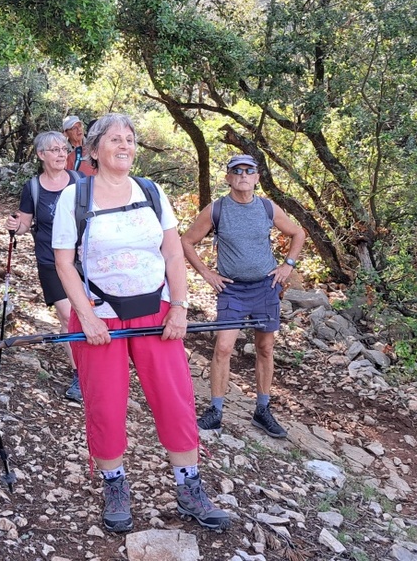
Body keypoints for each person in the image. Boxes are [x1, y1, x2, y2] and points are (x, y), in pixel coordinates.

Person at [51, 113, 230, 533]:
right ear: (94, 150)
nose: (125, 146)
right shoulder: (74, 198)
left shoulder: (151, 190)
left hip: (157, 311)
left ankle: (189, 487)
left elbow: (173, 253)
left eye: (130, 139)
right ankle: (114, 486)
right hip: (101, 317)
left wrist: (180, 306)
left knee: (175, 399)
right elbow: (64, 263)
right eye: (115, 139)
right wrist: (87, 317)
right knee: (105, 404)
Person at [180, 154, 307, 439]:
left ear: (257, 177)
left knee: (265, 348)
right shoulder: (216, 209)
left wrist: (287, 266)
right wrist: (207, 274)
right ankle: (215, 411)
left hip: (265, 287)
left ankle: (262, 410)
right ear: (228, 177)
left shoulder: (267, 207)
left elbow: (298, 233)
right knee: (224, 348)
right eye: (236, 171)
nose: (243, 176)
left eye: (249, 171)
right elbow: (186, 241)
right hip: (232, 290)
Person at [6, 131, 83, 402]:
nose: (62, 154)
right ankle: (80, 374)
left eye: (64, 149)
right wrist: (16, 225)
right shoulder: (33, 187)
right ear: (41, 155)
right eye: (55, 150)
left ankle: (98, 366)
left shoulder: (80, 182)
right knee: (68, 315)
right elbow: (26, 224)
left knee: (88, 313)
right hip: (50, 260)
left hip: (82, 259)